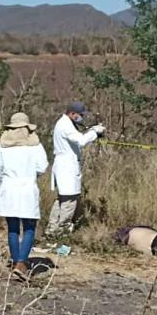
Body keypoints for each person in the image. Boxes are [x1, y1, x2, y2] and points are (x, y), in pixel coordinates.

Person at [0, 112, 49, 280]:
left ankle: (16, 260)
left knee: (13, 228)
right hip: (27, 188)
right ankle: (22, 262)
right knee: (29, 227)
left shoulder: (3, 145)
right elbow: (42, 166)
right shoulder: (35, 144)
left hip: (8, 188)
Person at [46, 102, 105, 237]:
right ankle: (62, 230)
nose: (82, 118)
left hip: (65, 165)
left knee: (61, 199)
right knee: (69, 200)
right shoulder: (65, 125)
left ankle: (52, 228)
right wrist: (95, 132)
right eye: (80, 115)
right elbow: (82, 141)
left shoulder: (65, 123)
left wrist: (92, 131)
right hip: (66, 167)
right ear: (72, 113)